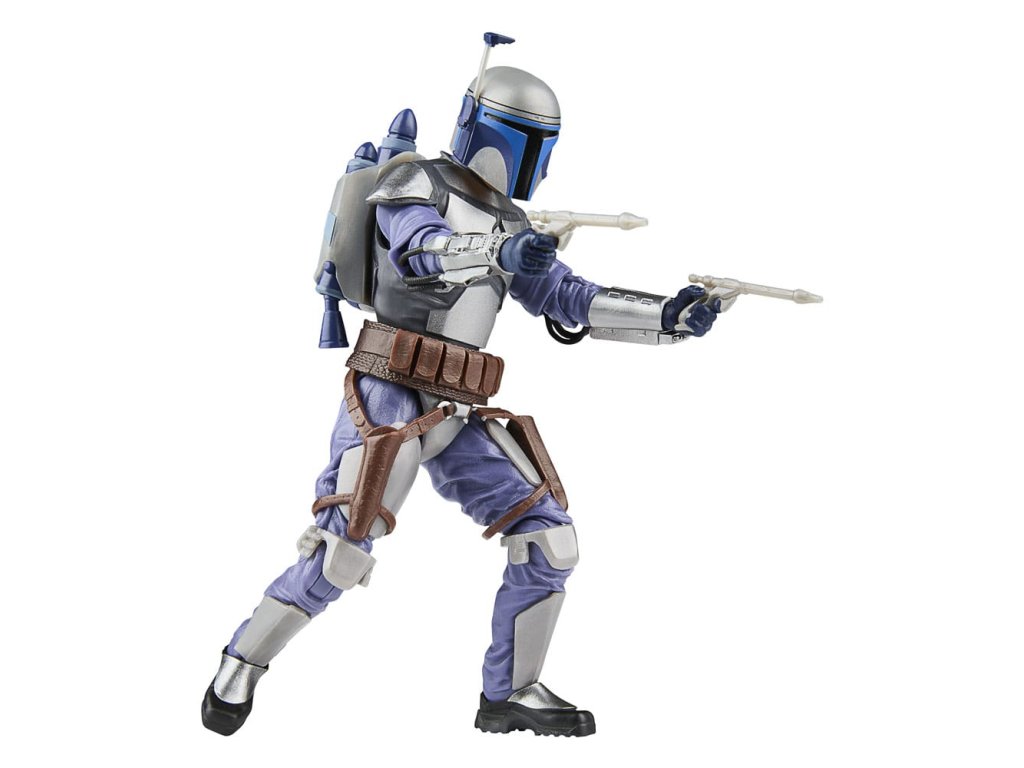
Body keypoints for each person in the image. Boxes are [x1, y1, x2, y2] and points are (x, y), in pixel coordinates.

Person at [202, 40, 718, 740]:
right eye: (528, 141)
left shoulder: (514, 224)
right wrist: (496, 250)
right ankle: (242, 663)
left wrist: (667, 317)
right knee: (343, 551)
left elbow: (569, 299)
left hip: (459, 409)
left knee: (549, 539)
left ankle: (511, 692)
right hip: (386, 395)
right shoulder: (415, 181)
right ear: (490, 128)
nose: (534, 159)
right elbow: (420, 250)